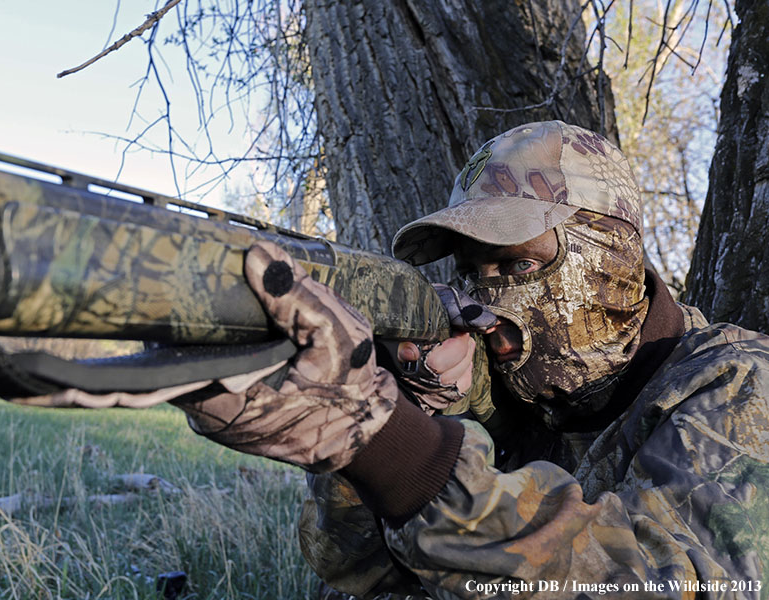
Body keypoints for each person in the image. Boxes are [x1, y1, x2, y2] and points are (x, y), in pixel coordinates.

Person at [145, 121, 769, 598]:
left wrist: (402, 451)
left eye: (519, 263)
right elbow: (356, 571)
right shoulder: (495, 391)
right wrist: (381, 418)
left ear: (610, 253)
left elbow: (671, 580)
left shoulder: (738, 384)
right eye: (470, 271)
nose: (486, 297)